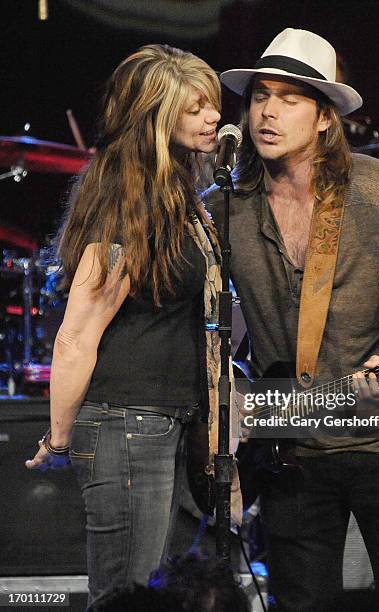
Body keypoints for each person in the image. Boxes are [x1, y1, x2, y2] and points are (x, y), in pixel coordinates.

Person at [204, 29, 379, 611]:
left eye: (289, 99)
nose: (267, 111)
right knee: (300, 603)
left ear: (324, 119)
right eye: (260, 95)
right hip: (291, 445)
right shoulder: (226, 204)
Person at [25, 44, 221, 608]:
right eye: (194, 108)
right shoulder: (124, 198)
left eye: (211, 104)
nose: (213, 117)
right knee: (125, 597)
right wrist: (58, 437)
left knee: (147, 592)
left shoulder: (175, 191)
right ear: (155, 117)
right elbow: (77, 332)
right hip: (125, 425)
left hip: (158, 422)